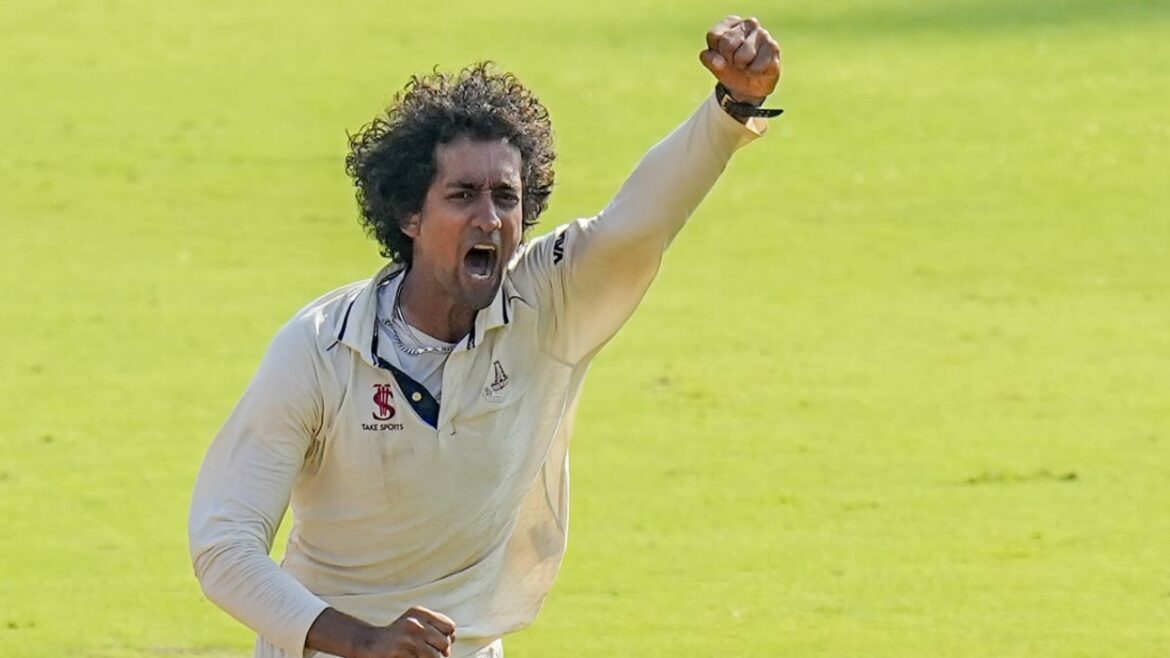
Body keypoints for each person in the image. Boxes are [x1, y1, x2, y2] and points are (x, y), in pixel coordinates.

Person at [189, 15, 782, 658]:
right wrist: (365, 641)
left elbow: (639, 221)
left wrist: (732, 107)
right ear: (410, 215)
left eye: (505, 196)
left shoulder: (546, 306)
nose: (490, 218)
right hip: (329, 647)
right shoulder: (320, 348)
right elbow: (224, 545)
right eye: (463, 194)